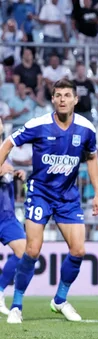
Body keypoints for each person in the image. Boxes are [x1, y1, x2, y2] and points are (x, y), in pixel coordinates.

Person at [0, 79, 98, 324]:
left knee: (78, 250)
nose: (62, 99)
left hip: (68, 198)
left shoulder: (86, 128)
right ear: (53, 99)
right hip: (40, 194)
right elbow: (8, 143)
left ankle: (59, 300)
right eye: (58, 95)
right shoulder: (39, 124)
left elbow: (92, 157)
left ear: (76, 99)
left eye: (67, 95)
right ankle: (16, 305)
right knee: (32, 250)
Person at [0, 121, 26, 315]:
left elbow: (6, 174)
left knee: (23, 251)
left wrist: (17, 174)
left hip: (7, 215)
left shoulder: (6, 151)